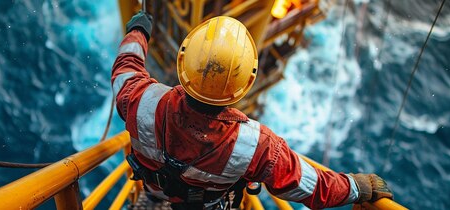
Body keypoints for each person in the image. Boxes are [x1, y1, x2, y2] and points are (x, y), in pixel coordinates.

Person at [112, 11, 393, 210]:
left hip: (153, 189)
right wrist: (358, 187)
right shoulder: (256, 146)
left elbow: (126, 66)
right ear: (245, 83)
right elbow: (311, 186)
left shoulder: (140, 99)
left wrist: (138, 31)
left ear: (183, 63)